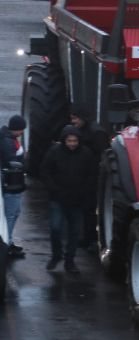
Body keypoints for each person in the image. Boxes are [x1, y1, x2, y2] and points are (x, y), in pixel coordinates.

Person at [40, 125, 97, 274]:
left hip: (77, 199)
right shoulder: (54, 153)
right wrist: (53, 189)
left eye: (75, 141)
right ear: (64, 140)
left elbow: (92, 174)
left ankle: (69, 261)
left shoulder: (86, 154)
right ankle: (57, 254)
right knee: (55, 227)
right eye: (69, 140)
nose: (72, 144)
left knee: (74, 232)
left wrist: (85, 191)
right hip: (58, 198)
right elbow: (45, 171)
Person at [69, 105, 109, 251]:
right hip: (87, 176)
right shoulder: (89, 130)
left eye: (75, 118)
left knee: (91, 209)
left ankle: (93, 240)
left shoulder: (96, 133)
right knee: (87, 209)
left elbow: (100, 157)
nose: (73, 121)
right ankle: (88, 238)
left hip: (94, 177)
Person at [0, 114, 28, 258]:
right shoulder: (8, 142)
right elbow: (12, 161)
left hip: (12, 183)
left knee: (13, 213)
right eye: (21, 129)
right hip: (11, 184)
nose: (23, 132)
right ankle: (7, 243)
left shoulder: (8, 139)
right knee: (11, 214)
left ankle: (8, 241)